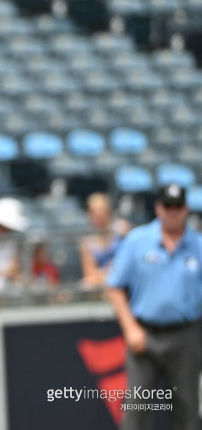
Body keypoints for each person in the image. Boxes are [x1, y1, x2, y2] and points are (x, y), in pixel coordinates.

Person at [107, 184, 201, 430]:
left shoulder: (198, 245)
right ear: (158, 208)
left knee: (187, 409)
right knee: (137, 409)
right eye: (167, 206)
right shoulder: (138, 241)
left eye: (177, 207)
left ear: (186, 210)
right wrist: (130, 328)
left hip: (186, 335)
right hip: (144, 333)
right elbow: (115, 286)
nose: (172, 212)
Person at [79, 192, 130, 287]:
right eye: (94, 212)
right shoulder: (87, 242)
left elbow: (130, 260)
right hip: (103, 283)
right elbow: (90, 274)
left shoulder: (122, 229)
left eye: (102, 211)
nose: (99, 216)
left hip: (124, 278)